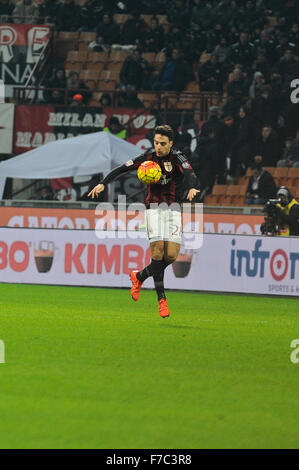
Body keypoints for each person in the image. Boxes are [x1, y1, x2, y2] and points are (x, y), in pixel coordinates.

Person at [88, 125, 200, 318]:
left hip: (173, 209)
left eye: (163, 144)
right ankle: (162, 300)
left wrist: (191, 187)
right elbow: (122, 168)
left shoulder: (178, 157)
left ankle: (139, 276)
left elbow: (190, 173)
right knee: (157, 253)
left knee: (171, 256)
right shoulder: (148, 159)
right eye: (156, 142)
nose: (158, 147)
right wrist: (102, 183)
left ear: (170, 144)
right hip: (154, 209)